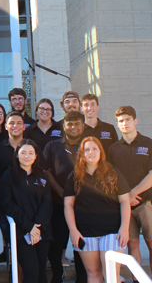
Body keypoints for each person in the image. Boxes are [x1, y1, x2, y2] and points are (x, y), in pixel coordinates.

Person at [63, 137, 131, 283]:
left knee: (111, 274)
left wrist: (124, 228)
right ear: (82, 154)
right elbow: (68, 205)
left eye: (94, 149)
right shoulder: (74, 176)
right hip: (85, 232)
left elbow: (125, 200)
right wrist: (73, 231)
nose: (91, 152)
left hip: (112, 232)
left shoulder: (113, 173)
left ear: (101, 151)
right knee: (93, 273)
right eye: (87, 150)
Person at [108, 106, 152, 283]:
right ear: (117, 124)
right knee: (132, 244)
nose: (124, 123)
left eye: (128, 119)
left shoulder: (149, 144)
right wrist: (125, 198)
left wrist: (133, 193)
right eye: (121, 121)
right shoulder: (113, 149)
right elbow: (111, 177)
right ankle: (137, 281)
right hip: (124, 205)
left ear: (135, 121)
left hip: (146, 202)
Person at [0, 139, 53, 283]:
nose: (26, 156)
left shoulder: (43, 176)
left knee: (41, 273)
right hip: (20, 233)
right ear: (17, 155)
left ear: (36, 156)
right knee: (31, 271)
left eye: (30, 153)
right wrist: (29, 226)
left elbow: (47, 203)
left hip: (41, 232)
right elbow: (6, 204)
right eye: (23, 153)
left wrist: (37, 227)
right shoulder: (9, 175)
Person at [42, 110, 86, 283]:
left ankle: (82, 277)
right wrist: (62, 192)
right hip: (58, 203)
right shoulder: (53, 146)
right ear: (63, 126)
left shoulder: (89, 145)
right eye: (70, 124)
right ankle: (57, 274)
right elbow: (46, 171)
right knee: (56, 243)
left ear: (83, 126)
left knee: (81, 242)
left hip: (83, 205)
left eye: (77, 124)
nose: (73, 127)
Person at [0, 111, 25, 263]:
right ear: (6, 126)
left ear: (24, 126)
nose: (15, 126)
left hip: (29, 206)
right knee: (11, 250)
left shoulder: (31, 148)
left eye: (19, 123)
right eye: (12, 123)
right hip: (5, 205)